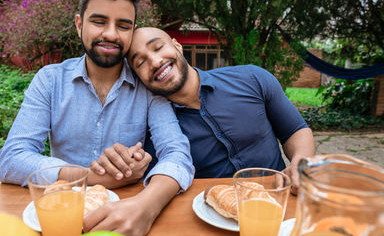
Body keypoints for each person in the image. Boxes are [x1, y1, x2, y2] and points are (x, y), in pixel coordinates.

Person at [0, 0, 194, 236]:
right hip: (57, 217)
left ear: (132, 31)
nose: (111, 34)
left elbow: (177, 153)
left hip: (123, 219)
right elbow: (12, 158)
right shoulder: (50, 80)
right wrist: (89, 177)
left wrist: (147, 205)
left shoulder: (146, 84)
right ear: (79, 24)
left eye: (123, 26)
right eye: (99, 22)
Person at [91, 27, 316, 194]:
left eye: (158, 48)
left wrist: (301, 161)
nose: (156, 61)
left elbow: (296, 130)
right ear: (138, 77)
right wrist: (123, 164)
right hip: (211, 217)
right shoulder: (158, 131)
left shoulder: (252, 78)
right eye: (140, 63)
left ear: (177, 45)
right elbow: (144, 173)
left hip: (280, 201)